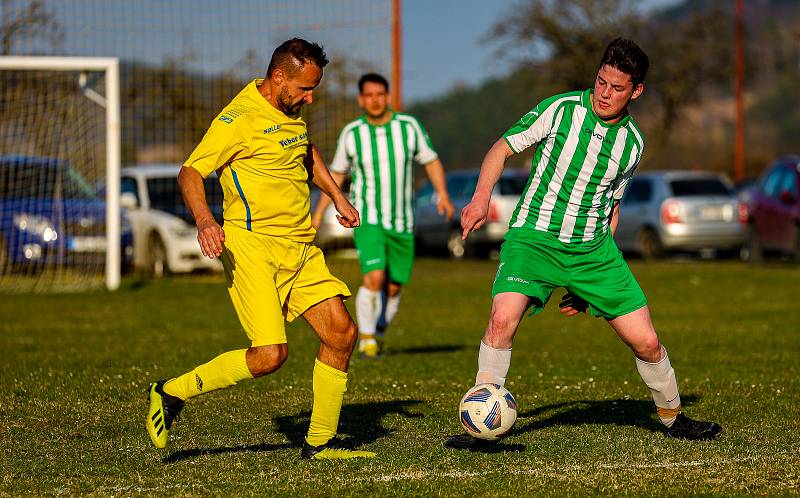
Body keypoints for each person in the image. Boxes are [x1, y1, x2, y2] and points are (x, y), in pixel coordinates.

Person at [453, 38, 722, 445]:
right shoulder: (561, 110)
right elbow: (501, 148)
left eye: (616, 88)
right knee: (501, 320)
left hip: (593, 252)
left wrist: (585, 290)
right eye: (601, 82)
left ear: (636, 91)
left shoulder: (632, 144)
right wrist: (479, 199)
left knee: (647, 342)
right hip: (534, 240)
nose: (605, 93)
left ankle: (674, 418)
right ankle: (481, 426)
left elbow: (610, 207)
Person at [145, 38, 375, 460]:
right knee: (270, 355)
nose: (311, 97)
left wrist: (337, 196)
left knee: (341, 333)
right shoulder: (238, 119)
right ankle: (170, 392)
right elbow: (191, 172)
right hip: (253, 247)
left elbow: (304, 152)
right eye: (305, 88)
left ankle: (319, 443)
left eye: (314, 89)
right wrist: (205, 221)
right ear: (279, 76)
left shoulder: (291, 109)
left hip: (299, 245)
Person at [311, 73, 454, 358]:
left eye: (380, 94)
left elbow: (431, 159)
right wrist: (319, 213)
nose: (375, 100)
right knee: (374, 278)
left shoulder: (409, 127)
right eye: (369, 95)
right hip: (368, 218)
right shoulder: (352, 133)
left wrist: (443, 195)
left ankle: (377, 332)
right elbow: (336, 174)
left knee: (393, 285)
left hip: (403, 220)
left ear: (387, 97)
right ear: (361, 99)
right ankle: (366, 341)